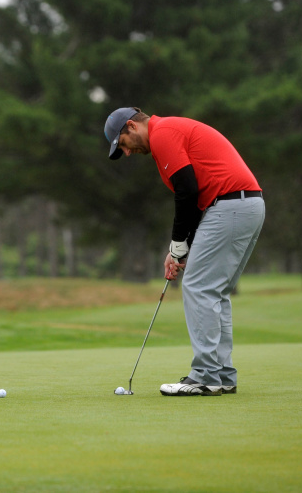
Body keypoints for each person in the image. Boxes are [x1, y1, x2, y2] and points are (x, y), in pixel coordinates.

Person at [104, 107, 265, 396]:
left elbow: (187, 190)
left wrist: (178, 244)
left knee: (198, 286)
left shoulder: (163, 133)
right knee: (214, 291)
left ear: (132, 126)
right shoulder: (169, 131)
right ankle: (222, 375)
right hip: (244, 206)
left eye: (123, 144)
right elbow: (195, 194)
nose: (126, 153)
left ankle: (205, 375)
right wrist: (179, 248)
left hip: (229, 206)